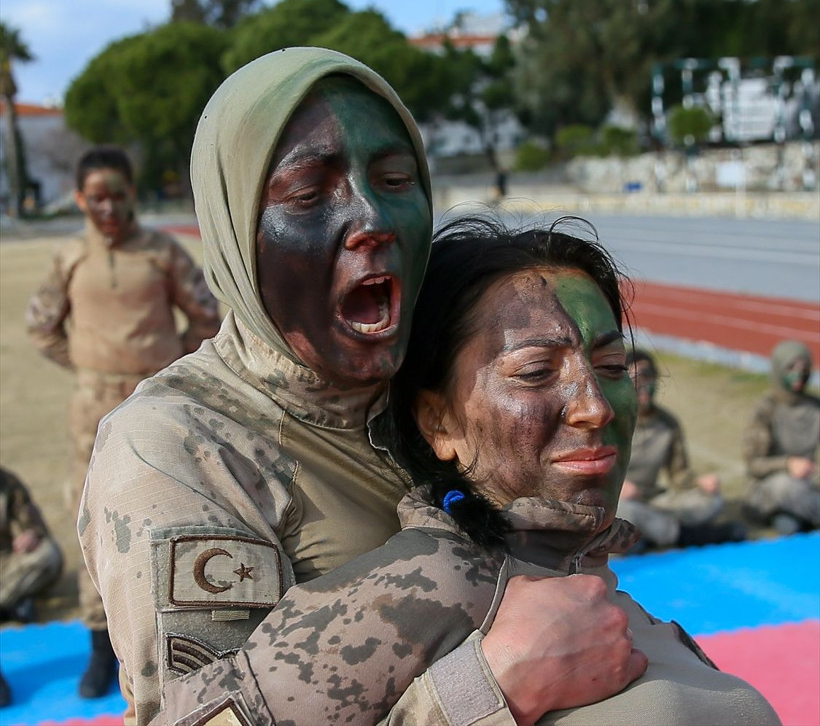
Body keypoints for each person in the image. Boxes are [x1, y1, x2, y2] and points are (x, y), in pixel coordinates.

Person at [80, 48, 646, 726]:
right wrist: (489, 688)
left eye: (396, 178)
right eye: (311, 194)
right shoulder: (177, 446)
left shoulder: (439, 376)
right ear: (235, 227)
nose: (372, 217)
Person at [162, 214, 779, 726]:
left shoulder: (584, 581)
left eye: (613, 367)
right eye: (536, 372)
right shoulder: (425, 587)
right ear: (439, 424)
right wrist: (484, 693)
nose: (595, 407)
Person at [27, 147, 221, 698]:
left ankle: (179, 642)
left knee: (171, 513)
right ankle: (97, 649)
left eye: (118, 195)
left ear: (132, 194)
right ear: (80, 199)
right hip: (91, 408)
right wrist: (90, 367)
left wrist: (163, 367)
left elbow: (206, 317)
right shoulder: (69, 257)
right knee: (90, 515)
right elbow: (42, 328)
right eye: (97, 197)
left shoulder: (163, 253)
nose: (108, 207)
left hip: (156, 403)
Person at [617, 349, 744, 550]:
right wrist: (618, 486)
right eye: (636, 378)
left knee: (710, 501)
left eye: (648, 377)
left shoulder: (668, 423)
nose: (644, 386)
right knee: (624, 512)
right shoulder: (610, 420)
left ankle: (646, 534)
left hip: (653, 499)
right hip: (616, 499)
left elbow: (678, 474)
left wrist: (699, 482)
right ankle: (685, 535)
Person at [0, 466, 63, 709]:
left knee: (48, 554)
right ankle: (12, 607)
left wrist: (31, 534)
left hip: (6, 564)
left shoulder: (5, 481)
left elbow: (33, 523)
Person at [743, 340, 820, 534]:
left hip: (807, 482)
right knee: (786, 487)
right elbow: (754, 465)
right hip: (771, 486)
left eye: (803, 367)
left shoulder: (815, 407)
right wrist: (787, 464)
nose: (798, 373)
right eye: (791, 367)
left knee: (790, 518)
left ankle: (794, 518)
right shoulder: (766, 409)